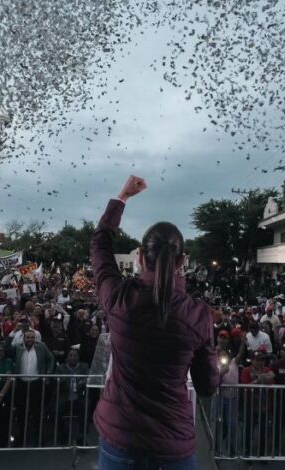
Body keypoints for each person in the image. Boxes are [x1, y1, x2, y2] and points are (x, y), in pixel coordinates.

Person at [90, 175, 219, 469]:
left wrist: (122, 197)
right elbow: (207, 385)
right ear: (182, 261)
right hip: (172, 446)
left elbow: (99, 248)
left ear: (140, 258)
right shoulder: (197, 315)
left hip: (118, 441)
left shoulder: (120, 298)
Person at [11, 329, 56, 447]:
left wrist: (48, 373)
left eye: (32, 337)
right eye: (27, 338)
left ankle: (39, 438)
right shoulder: (18, 348)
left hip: (36, 383)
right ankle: (20, 437)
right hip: (21, 383)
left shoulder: (41, 347)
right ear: (24, 338)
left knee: (37, 412)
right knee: (21, 412)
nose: (30, 340)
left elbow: (51, 358)